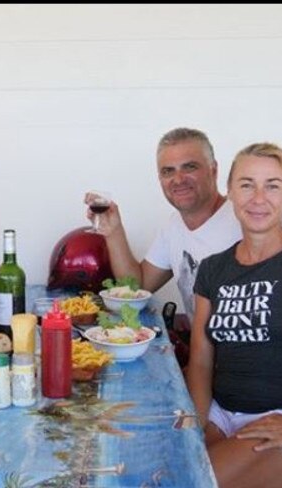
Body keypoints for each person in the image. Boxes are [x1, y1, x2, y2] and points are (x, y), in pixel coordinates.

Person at [187, 142, 282, 487]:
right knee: (168, 463)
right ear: (229, 191)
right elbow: (200, 361)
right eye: (247, 184)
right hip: (221, 413)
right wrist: (195, 427)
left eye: (273, 185)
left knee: (192, 481)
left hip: (273, 420)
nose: (259, 198)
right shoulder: (213, 269)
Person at [84, 127, 242, 321]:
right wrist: (113, 231)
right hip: (201, 347)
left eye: (189, 167)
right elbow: (137, 287)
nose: (178, 179)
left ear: (213, 170)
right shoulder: (174, 226)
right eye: (168, 171)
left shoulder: (245, 220)